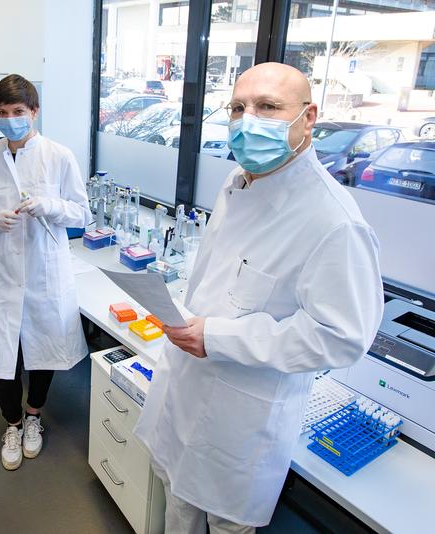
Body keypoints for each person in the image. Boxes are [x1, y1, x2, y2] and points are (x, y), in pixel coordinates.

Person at [134, 63, 384, 533]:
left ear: (308, 118)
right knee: (175, 509)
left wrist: (220, 337)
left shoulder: (334, 222)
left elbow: (342, 338)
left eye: (268, 107)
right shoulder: (239, 181)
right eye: (237, 108)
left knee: (225, 523)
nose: (247, 120)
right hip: (185, 386)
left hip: (242, 420)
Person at [0, 74, 92, 471]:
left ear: (34, 112)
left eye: (18, 112)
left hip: (43, 272)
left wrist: (50, 206)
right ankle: (13, 424)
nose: (10, 119)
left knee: (42, 353)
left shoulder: (58, 155)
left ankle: (34, 418)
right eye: (3, 113)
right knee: (3, 356)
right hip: (4, 272)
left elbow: (83, 213)